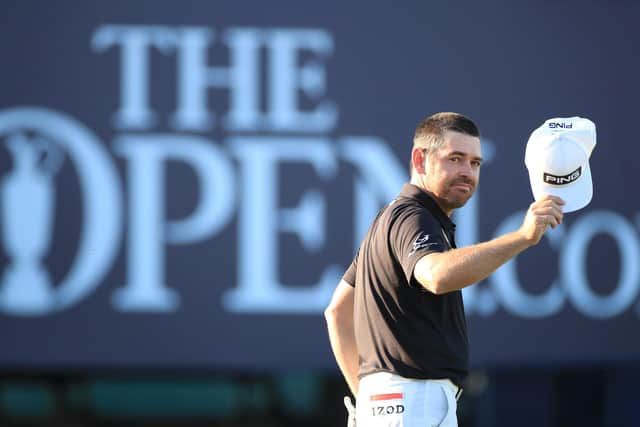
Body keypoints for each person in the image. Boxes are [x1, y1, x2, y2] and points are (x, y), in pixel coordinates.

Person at [324, 112, 564, 426]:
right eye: (455, 159)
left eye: (475, 163)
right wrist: (522, 237)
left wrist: (368, 399)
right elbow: (437, 275)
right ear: (419, 160)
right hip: (414, 404)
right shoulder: (413, 216)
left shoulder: (388, 221)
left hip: (392, 405)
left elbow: (338, 311)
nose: (467, 172)